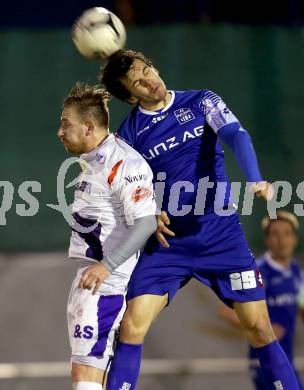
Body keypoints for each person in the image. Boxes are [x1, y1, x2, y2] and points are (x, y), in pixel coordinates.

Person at [99, 49, 300, 390]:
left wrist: (254, 177)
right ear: (132, 96)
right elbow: (118, 188)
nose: (151, 81)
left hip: (221, 237)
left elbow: (236, 135)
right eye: (139, 82)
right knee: (132, 326)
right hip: (167, 246)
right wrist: (144, 212)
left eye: (149, 69)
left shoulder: (201, 101)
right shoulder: (128, 136)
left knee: (261, 329)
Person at [57, 82, 157, 390]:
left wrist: (107, 265)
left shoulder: (123, 162)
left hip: (105, 287)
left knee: (85, 382)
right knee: (89, 379)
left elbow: (146, 223)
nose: (60, 132)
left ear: (88, 127)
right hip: (91, 283)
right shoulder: (94, 160)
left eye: (66, 124)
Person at [219, 211, 304, 389]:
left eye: (287, 234)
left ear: (295, 239)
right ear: (267, 240)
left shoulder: (296, 271)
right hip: (263, 363)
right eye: (275, 234)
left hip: (287, 361)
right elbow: (225, 311)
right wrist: (266, 327)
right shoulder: (256, 271)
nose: (281, 240)